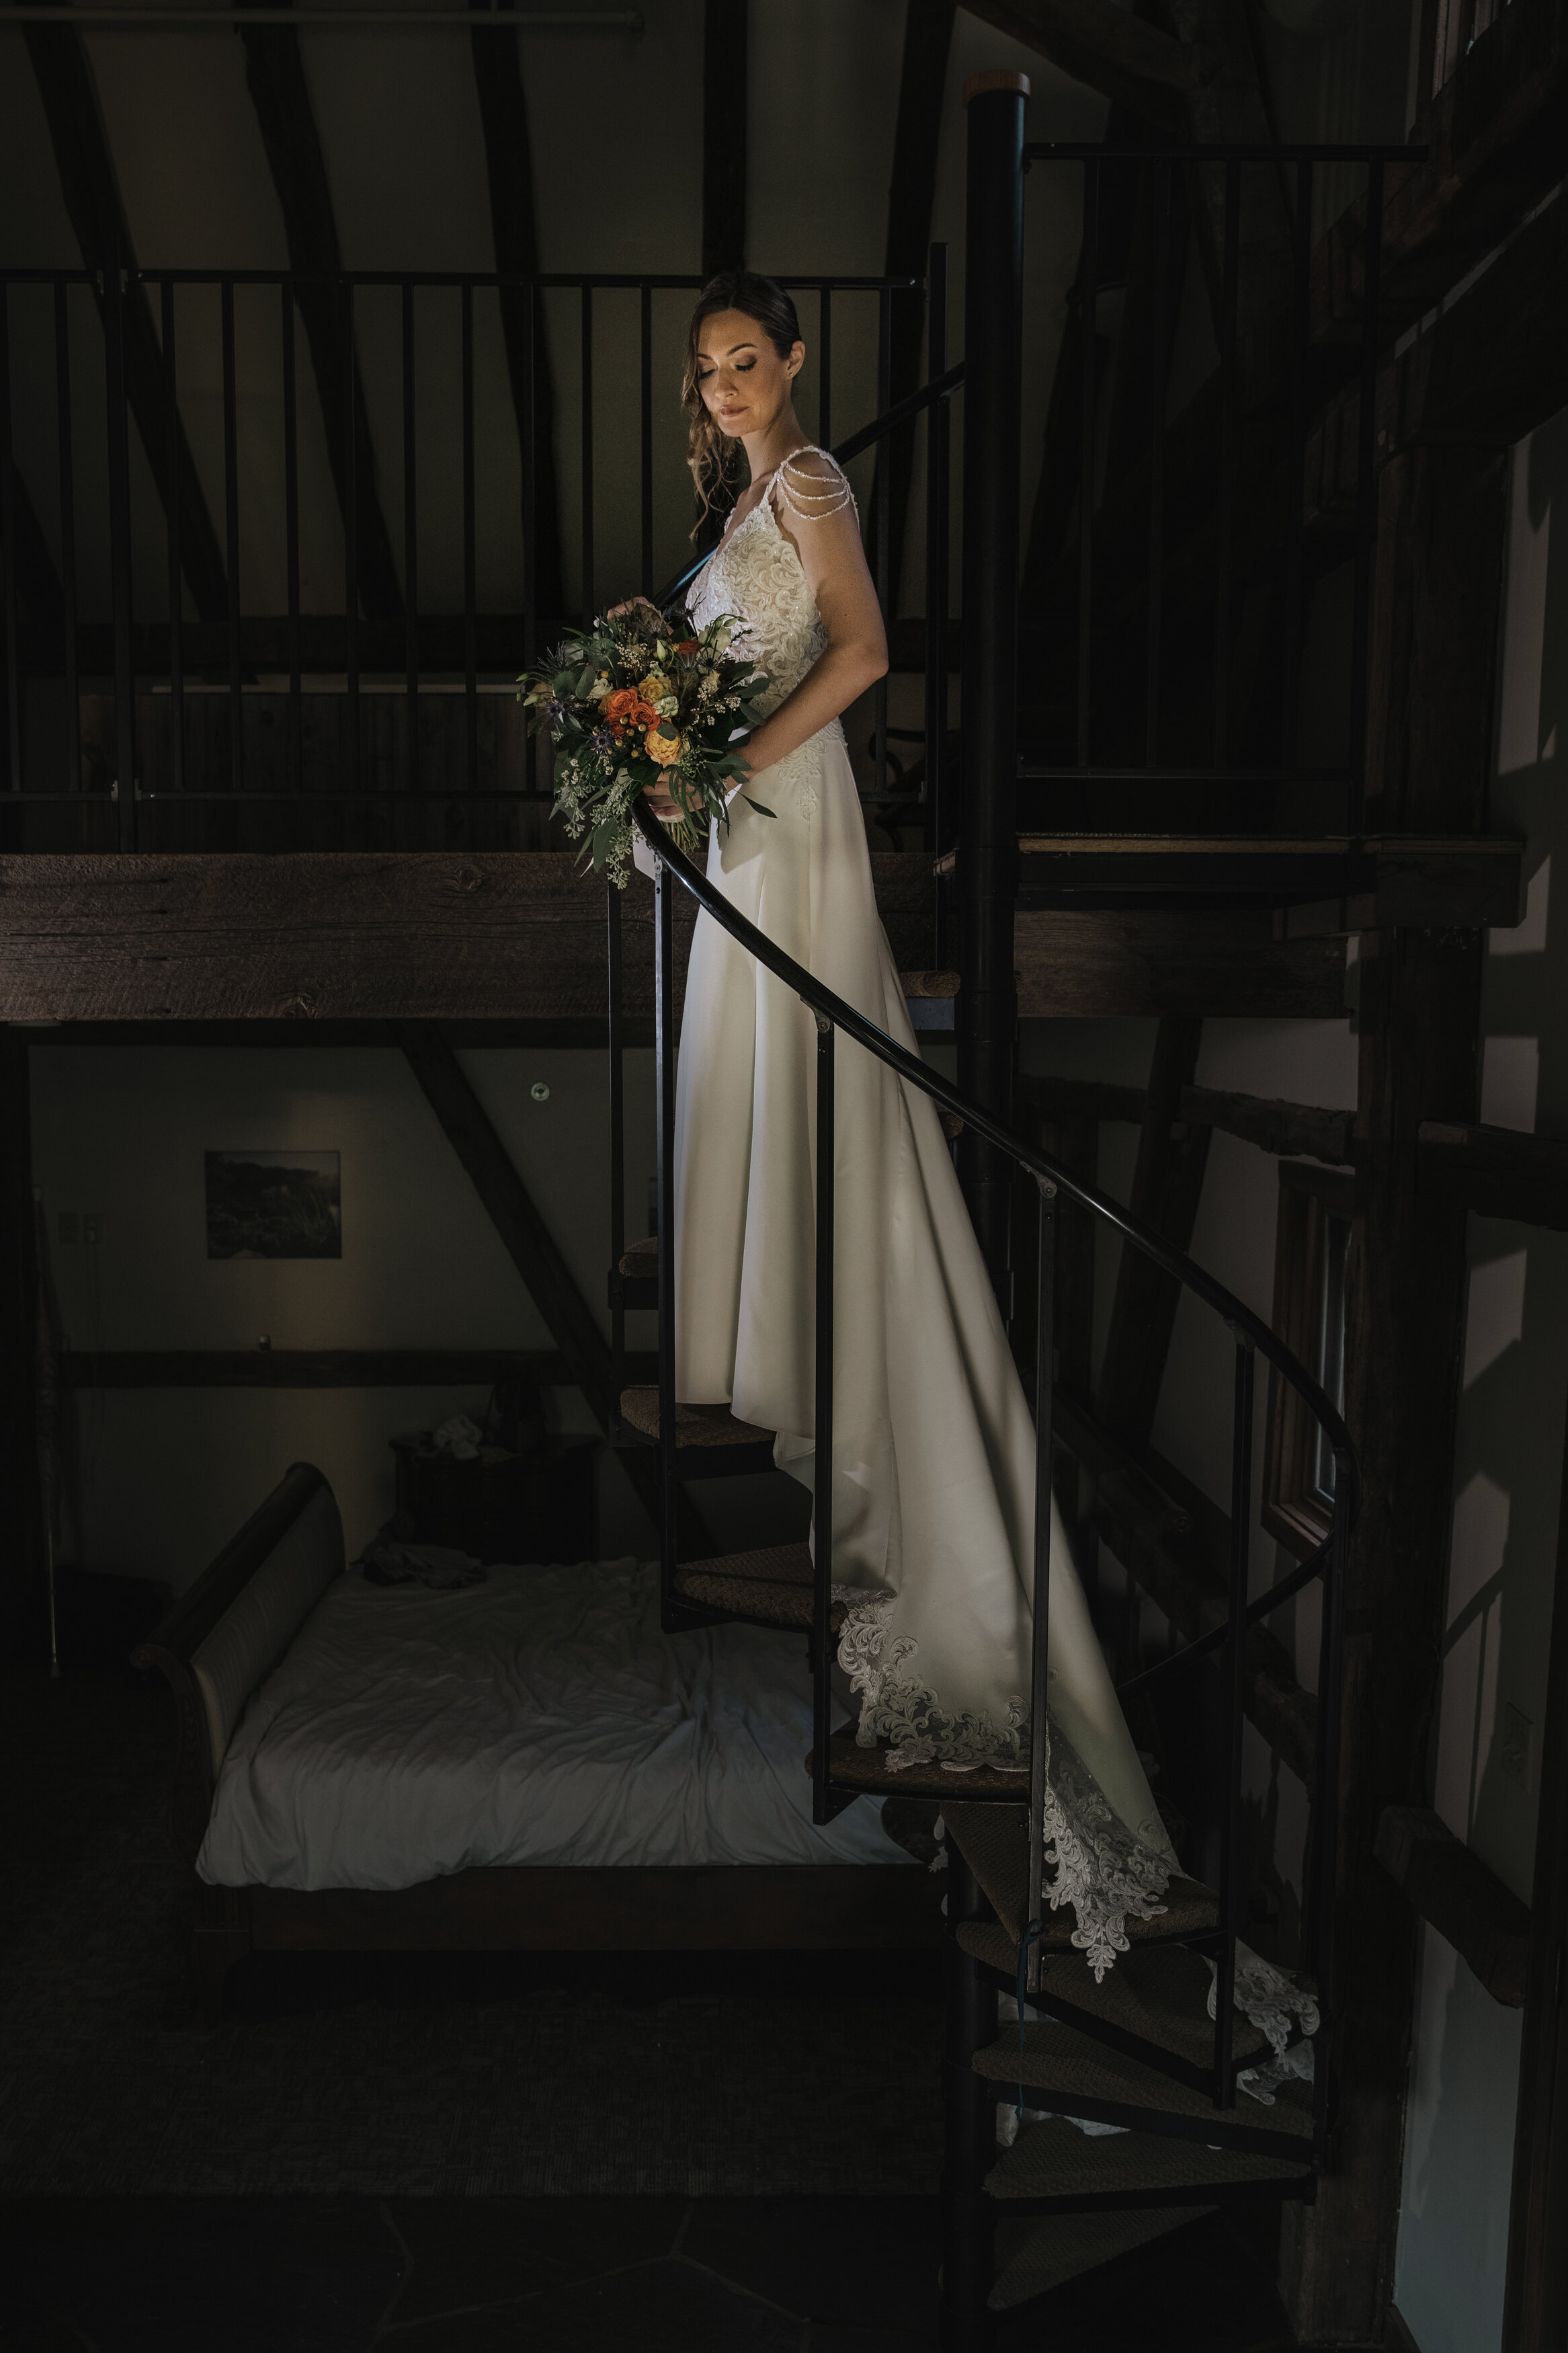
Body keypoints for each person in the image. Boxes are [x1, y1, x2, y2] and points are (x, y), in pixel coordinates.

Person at [648, 270, 1177, 1976]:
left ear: (795, 364)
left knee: (828, 1104)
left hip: (794, 838)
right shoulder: (739, 506)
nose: (730, 387)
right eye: (710, 372)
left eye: (750, 359)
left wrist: (729, 767)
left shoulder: (809, 487)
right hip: (750, 832)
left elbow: (866, 654)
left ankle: (930, 1519)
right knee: (774, 1108)